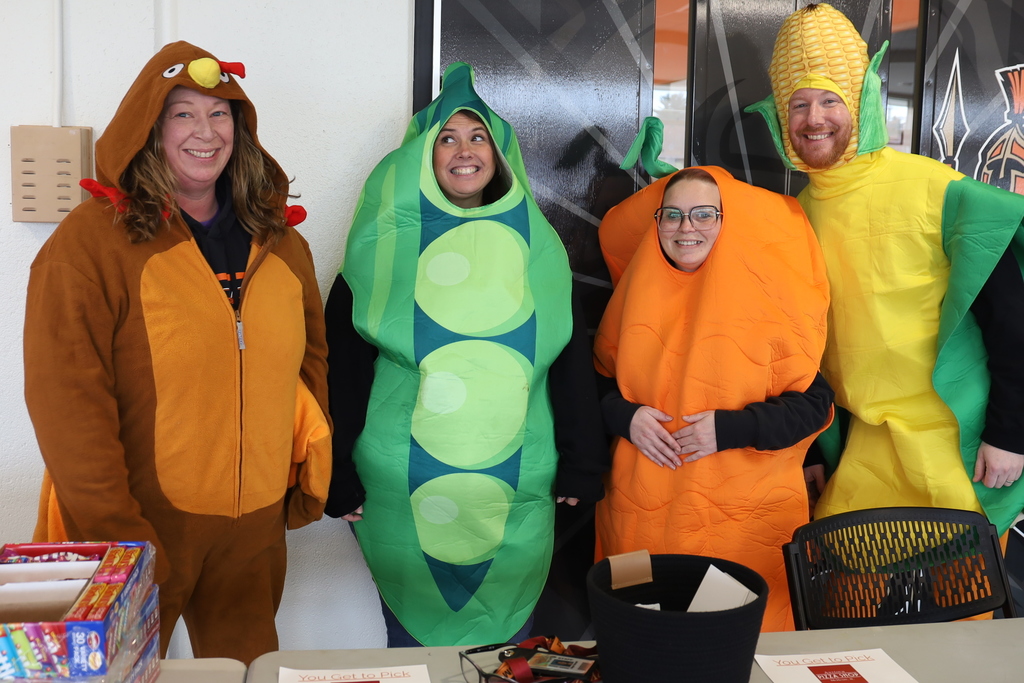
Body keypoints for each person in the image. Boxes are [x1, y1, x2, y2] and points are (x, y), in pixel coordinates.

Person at [24, 41, 331, 664]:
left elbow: (311, 364)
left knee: (252, 674)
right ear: (150, 128)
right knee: (123, 676)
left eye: (220, 114)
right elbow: (66, 400)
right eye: (182, 114)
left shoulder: (280, 241)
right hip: (139, 528)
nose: (205, 131)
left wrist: (304, 475)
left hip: (253, 531)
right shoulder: (88, 245)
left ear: (240, 131)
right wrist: (118, 532)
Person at [323, 62, 607, 646]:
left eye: (478, 136)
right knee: (416, 651)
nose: (463, 150)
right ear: (421, 155)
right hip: (400, 488)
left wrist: (582, 458)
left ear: (501, 155)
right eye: (446, 138)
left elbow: (570, 360)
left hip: (516, 487)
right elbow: (343, 370)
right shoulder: (379, 251)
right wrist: (335, 473)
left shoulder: (539, 249)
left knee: (507, 651)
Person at [747, 3, 1024, 536]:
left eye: (830, 99)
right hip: (862, 449)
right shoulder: (792, 216)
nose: (814, 119)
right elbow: (797, 348)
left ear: (860, 98)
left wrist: (1010, 432)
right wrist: (811, 451)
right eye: (798, 103)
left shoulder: (935, 188)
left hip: (955, 447)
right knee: (851, 601)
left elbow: (1013, 318)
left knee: (956, 607)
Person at [593, 165, 833, 631]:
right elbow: (596, 384)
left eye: (704, 214)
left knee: (734, 644)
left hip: (742, 518)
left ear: (727, 220)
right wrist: (626, 418)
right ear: (657, 221)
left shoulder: (771, 302)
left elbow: (813, 405)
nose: (687, 227)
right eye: (673, 215)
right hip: (637, 511)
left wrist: (730, 429)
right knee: (638, 634)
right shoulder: (632, 295)